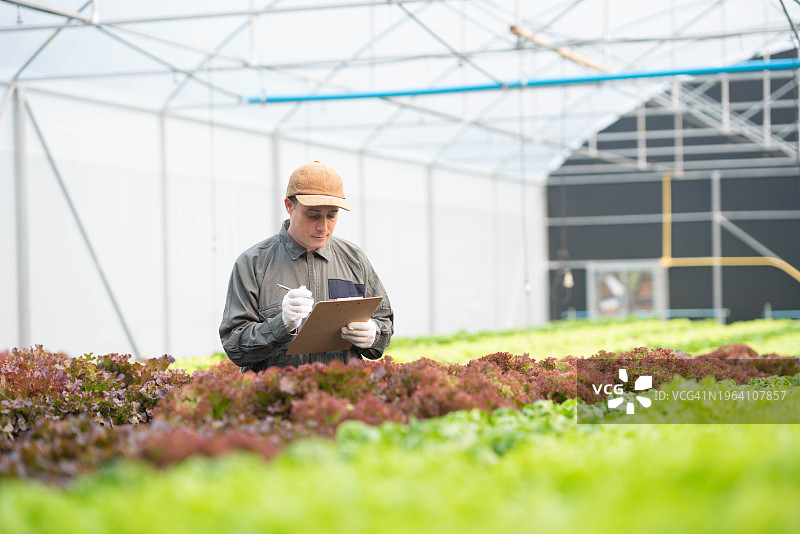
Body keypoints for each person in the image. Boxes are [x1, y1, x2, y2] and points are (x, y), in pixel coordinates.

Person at [219, 160, 394, 372]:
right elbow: (235, 345)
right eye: (312, 215)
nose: (323, 227)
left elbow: (384, 320)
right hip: (278, 390)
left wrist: (374, 333)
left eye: (332, 215)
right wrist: (282, 324)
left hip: (340, 389)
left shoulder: (354, 259)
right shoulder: (253, 263)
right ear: (289, 206)